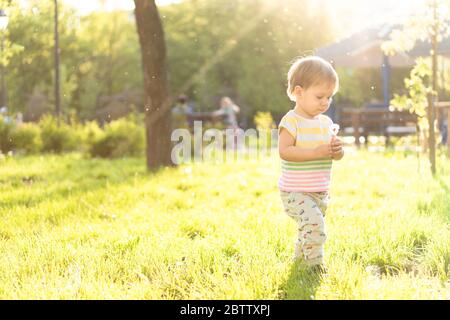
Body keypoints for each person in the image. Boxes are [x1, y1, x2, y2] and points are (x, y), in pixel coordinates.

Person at [278, 56, 344, 272]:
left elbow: (333, 155)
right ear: (298, 92)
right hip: (295, 191)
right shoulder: (291, 121)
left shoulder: (326, 123)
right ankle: (314, 266)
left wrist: (337, 151)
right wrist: (316, 152)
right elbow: (285, 151)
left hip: (319, 190)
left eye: (329, 97)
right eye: (319, 96)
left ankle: (299, 261)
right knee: (316, 225)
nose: (325, 102)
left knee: (308, 228)